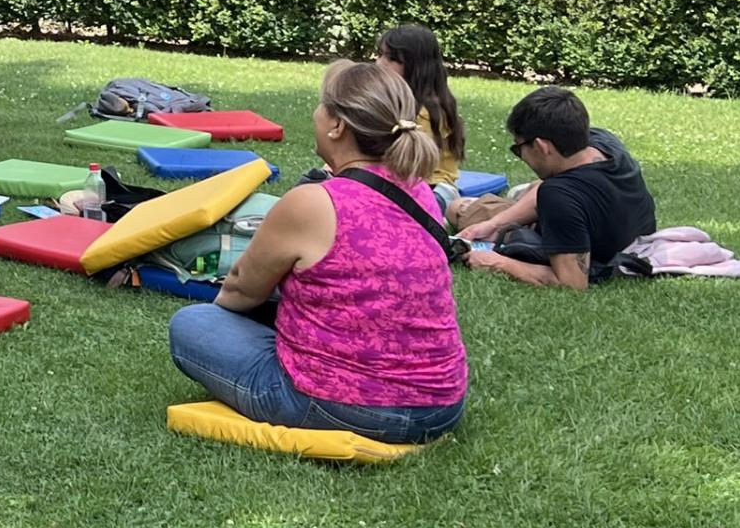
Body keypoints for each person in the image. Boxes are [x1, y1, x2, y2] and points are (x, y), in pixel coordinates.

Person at [168, 61, 467, 445]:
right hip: (443, 407)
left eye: (321, 105)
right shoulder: (421, 192)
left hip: (350, 409)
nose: (316, 113)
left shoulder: (313, 202)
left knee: (193, 324)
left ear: (337, 125)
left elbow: (241, 292)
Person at [461, 86, 657, 289]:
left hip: (571, 235)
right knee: (530, 194)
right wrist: (494, 225)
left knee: (459, 208)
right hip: (624, 234)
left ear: (541, 146)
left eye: (519, 148)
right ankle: (522, 194)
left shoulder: (559, 196)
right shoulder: (603, 141)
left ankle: (516, 195)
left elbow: (572, 283)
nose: (521, 157)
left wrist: (499, 263)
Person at [376, 24, 465, 217]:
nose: (379, 63)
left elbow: (406, 165)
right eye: (380, 54)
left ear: (416, 66)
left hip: (433, 187)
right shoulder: (392, 101)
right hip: (398, 183)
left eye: (391, 59)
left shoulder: (429, 112)